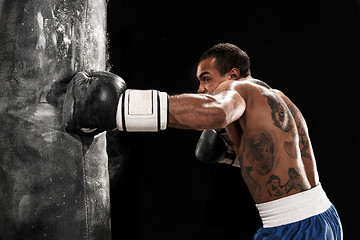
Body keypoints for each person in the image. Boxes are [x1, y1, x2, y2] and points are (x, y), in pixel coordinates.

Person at [63, 43, 343, 239]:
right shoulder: (278, 100)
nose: (201, 89)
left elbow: (218, 111)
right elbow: (275, 161)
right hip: (324, 217)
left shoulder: (239, 89)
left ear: (232, 74)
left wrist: (122, 108)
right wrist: (230, 155)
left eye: (206, 79)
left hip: (292, 226)